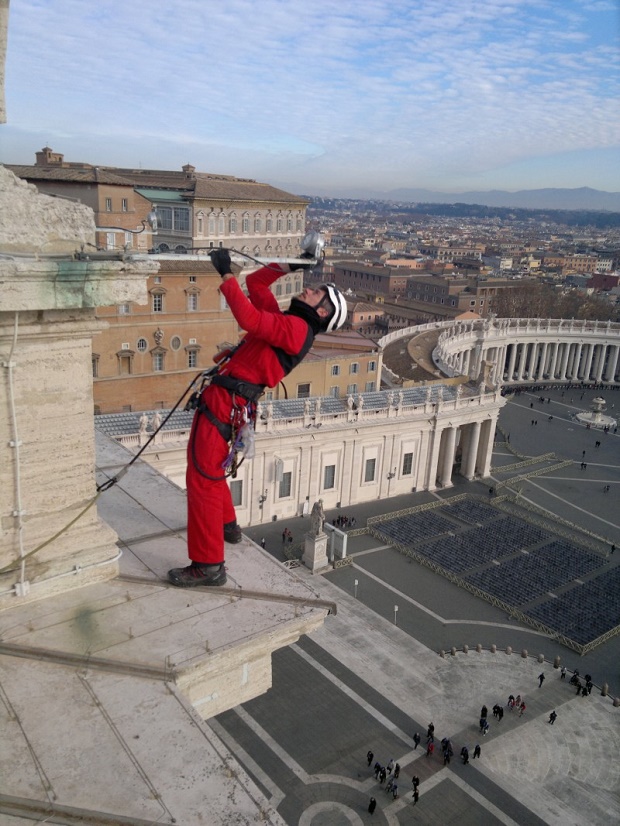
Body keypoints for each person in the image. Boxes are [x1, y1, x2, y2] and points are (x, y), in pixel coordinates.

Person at [168, 244, 347, 587]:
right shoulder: (289, 322)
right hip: (228, 399)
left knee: (203, 477)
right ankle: (227, 525)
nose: (308, 289)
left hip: (227, 401)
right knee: (211, 468)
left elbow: (247, 316)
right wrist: (289, 266)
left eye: (316, 292)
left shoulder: (296, 331)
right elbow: (257, 288)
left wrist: (224, 274)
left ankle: (208, 565)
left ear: (322, 311)